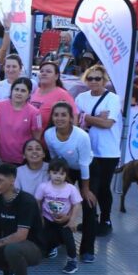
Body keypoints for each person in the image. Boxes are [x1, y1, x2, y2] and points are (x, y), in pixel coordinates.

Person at [43, 101, 97, 262]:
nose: (59, 118)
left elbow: (84, 163)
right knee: (55, 200)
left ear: (71, 118)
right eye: (56, 115)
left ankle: (87, 249)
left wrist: (85, 190)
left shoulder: (81, 136)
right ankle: (56, 241)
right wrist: (60, 180)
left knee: (88, 204)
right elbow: (54, 158)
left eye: (63, 115)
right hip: (64, 169)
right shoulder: (49, 134)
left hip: (87, 169)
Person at [75, 65, 122, 238]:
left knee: (103, 188)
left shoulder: (113, 99)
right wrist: (94, 118)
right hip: (87, 150)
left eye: (98, 78)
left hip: (107, 152)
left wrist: (84, 117)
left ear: (104, 80)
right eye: (90, 78)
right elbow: (74, 120)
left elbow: (107, 123)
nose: (94, 81)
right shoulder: (81, 97)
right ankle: (91, 219)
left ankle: (106, 220)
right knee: (87, 187)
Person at [35, 158, 82, 275]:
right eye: (55, 173)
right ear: (49, 173)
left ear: (66, 174)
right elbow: (37, 201)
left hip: (64, 220)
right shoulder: (43, 187)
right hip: (48, 218)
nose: (58, 176)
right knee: (43, 238)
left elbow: (77, 205)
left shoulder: (70, 188)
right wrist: (40, 216)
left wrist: (72, 220)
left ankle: (72, 261)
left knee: (69, 240)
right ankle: (50, 248)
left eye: (62, 173)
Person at [0, 77, 42, 165]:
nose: (19, 93)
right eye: (16, 89)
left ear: (29, 94)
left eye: (23, 91)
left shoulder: (35, 113)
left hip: (23, 160)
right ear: (11, 91)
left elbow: (36, 138)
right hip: (0, 157)